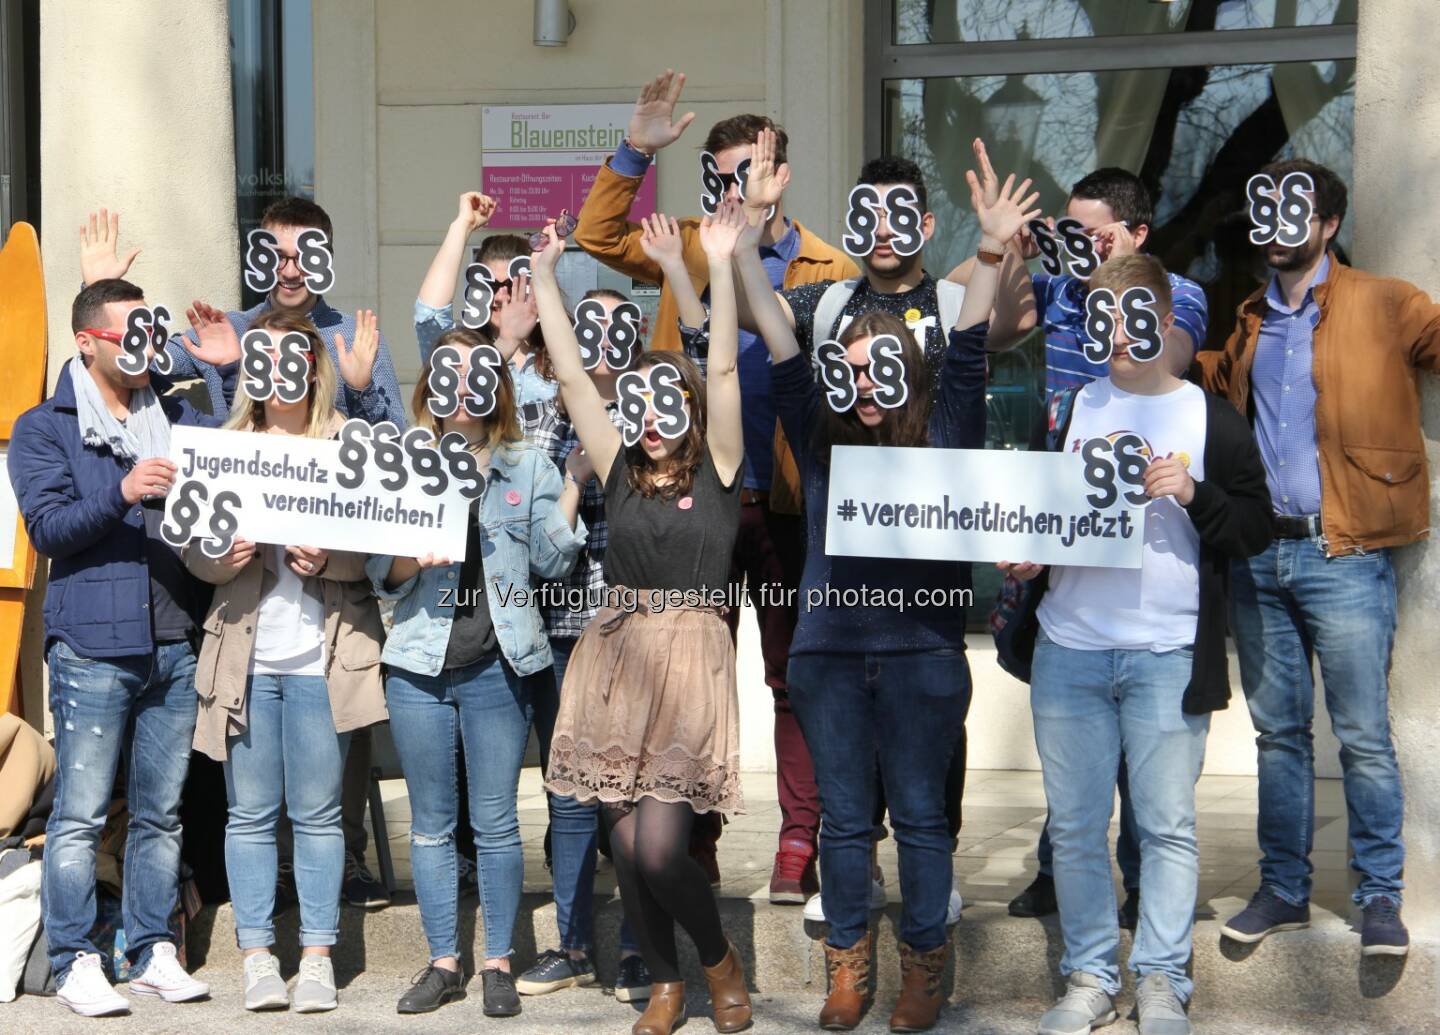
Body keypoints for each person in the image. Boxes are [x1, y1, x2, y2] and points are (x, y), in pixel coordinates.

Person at [734, 131, 1015, 1033]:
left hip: (925, 651)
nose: (863, 376)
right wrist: (741, 239)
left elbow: (969, 346)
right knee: (846, 826)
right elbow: (779, 343)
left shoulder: (945, 430)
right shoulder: (819, 443)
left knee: (927, 824)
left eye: (882, 363)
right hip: (829, 650)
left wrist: (992, 249)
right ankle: (847, 967)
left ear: (911, 370)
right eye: (848, 365)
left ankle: (925, 969)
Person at [576, 69, 855, 898]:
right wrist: (635, 149)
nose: (734, 188)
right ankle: (690, 835)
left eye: (749, 172)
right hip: (688, 499)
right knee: (682, 673)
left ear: (779, 174)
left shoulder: (825, 263)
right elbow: (597, 235)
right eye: (722, 175)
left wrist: (752, 241)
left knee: (793, 674)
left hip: (787, 499)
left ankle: (798, 839)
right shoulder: (684, 243)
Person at [78, 202, 399, 911]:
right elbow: (152, 394)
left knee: (328, 764)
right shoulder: (225, 327)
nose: (290, 268)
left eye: (303, 253)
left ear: (326, 255)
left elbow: (391, 469)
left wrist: (365, 383)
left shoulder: (352, 336)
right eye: (276, 254)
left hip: (330, 606)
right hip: (245, 595)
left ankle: (339, 866)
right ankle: (268, 888)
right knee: (251, 785)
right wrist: (102, 294)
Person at [1001, 254, 1271, 1035]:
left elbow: (1251, 526)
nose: (1117, 333)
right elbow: (1040, 516)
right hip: (1070, 647)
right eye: (1102, 317)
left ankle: (1161, 979)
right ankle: (1088, 975)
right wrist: (1029, 551)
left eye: (1133, 316)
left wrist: (1194, 494)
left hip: (1165, 653)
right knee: (1078, 824)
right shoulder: (1067, 407)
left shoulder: (1209, 416)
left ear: (1166, 317)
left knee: (1166, 827)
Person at [1196, 159, 1440, 957]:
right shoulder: (1249, 319)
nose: (1274, 225)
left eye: (1292, 210)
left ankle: (1378, 896)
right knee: (1279, 735)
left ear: (1328, 223)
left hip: (1347, 552)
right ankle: (1284, 889)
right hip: (1262, 555)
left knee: (1364, 734)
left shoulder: (1387, 301)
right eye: (1262, 209)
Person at [960, 155, 1209, 925]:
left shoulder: (1176, 294)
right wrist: (1007, 253)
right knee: (1080, 738)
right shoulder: (1060, 286)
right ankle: (1058, 869)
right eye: (1070, 233)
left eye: (1094, 236)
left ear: (1137, 232)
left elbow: (1167, 358)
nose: (1082, 248)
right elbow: (1001, 330)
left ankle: (1139, 877)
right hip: (1069, 510)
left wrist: (1116, 315)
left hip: (1150, 521)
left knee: (1146, 743)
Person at [537, 202, 751, 1035]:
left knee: (663, 845)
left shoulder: (722, 465)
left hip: (691, 654)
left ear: (688, 407)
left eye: (669, 403)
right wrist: (549, 279)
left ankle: (715, 958)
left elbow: (725, 370)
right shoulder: (616, 466)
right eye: (640, 405)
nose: (654, 421)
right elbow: (565, 372)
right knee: (622, 845)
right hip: (615, 654)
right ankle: (663, 982)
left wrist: (721, 265)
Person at [8, 278, 218, 1016]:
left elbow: (244, 460)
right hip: (92, 645)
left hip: (171, 637)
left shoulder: (177, 411)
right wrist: (124, 489)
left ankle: (153, 947)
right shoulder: (44, 426)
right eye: (130, 333)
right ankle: (73, 958)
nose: (147, 345)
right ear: (88, 341)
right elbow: (48, 529)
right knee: (81, 812)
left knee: (162, 811)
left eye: (150, 331)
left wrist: (222, 366)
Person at [368, 326, 586, 1019]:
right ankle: (442, 961)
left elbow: (555, 563)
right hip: (417, 663)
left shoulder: (526, 463)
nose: (463, 387)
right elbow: (382, 575)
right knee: (432, 825)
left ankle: (497, 960)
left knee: (495, 822)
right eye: (448, 373)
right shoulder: (406, 460)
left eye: (477, 373)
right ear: (431, 384)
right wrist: (413, 557)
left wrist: (574, 487)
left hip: (500, 664)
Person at [184, 309, 386, 1013]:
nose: (279, 372)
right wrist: (220, 553)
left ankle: (321, 956)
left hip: (321, 658)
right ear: (253, 372)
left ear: (309, 366)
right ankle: (258, 956)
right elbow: (193, 551)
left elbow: (380, 548)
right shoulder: (225, 444)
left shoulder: (345, 442)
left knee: (321, 814)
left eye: (291, 357)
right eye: (263, 358)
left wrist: (332, 556)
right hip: (245, 655)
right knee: (249, 814)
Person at [515, 287, 649, 1005]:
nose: (600, 340)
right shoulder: (541, 416)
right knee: (567, 790)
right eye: (584, 326)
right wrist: (573, 479)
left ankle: (634, 947)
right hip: (565, 626)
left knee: (625, 795)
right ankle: (569, 942)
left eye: (614, 325)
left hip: (637, 630)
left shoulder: (658, 409)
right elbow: (540, 547)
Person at [415, 192, 555, 416]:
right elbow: (428, 314)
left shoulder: (560, 354)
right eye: (488, 284)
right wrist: (462, 226)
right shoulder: (459, 353)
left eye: (511, 285)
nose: (499, 297)